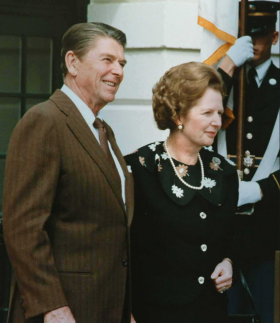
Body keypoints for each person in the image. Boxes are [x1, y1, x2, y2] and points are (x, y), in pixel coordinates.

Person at [3, 22, 134, 323]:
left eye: (122, 63)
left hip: (104, 308)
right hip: (62, 311)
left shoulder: (103, 131)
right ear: (72, 62)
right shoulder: (44, 120)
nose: (118, 71)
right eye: (107, 60)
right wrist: (51, 305)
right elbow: (23, 227)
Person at [125, 62, 239, 323]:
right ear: (178, 115)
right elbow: (120, 250)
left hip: (210, 313)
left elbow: (230, 238)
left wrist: (228, 262)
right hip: (151, 314)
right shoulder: (138, 168)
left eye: (219, 113)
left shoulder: (224, 172)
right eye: (207, 112)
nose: (217, 122)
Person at [216, 1, 280, 322]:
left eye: (262, 35)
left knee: (266, 311)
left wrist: (261, 190)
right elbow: (198, 107)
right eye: (249, 36)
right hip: (222, 222)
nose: (255, 43)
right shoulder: (227, 81)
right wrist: (227, 66)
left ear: (275, 37)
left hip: (267, 224)